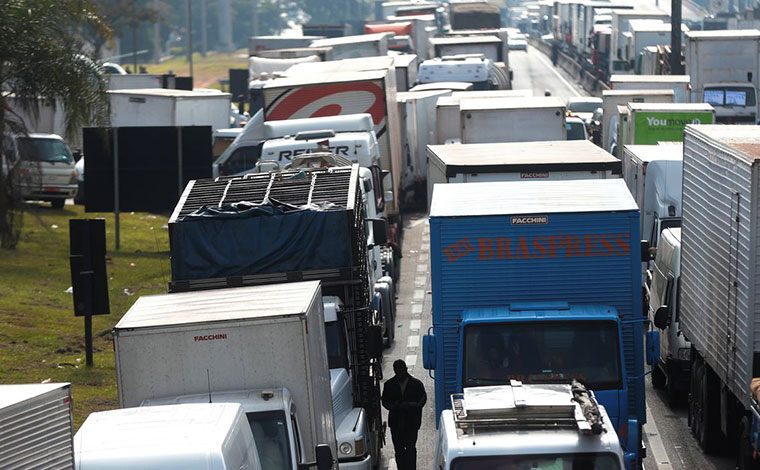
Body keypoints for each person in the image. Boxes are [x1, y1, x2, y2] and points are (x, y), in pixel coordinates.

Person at [382, 359, 427, 470]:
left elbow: (423, 399)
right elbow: (384, 401)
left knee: (411, 448)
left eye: (401, 369)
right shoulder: (389, 384)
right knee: (399, 449)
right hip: (396, 423)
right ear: (394, 371)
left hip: (411, 422)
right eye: (397, 370)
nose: (400, 372)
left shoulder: (416, 384)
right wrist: (395, 406)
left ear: (406, 369)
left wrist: (412, 405)